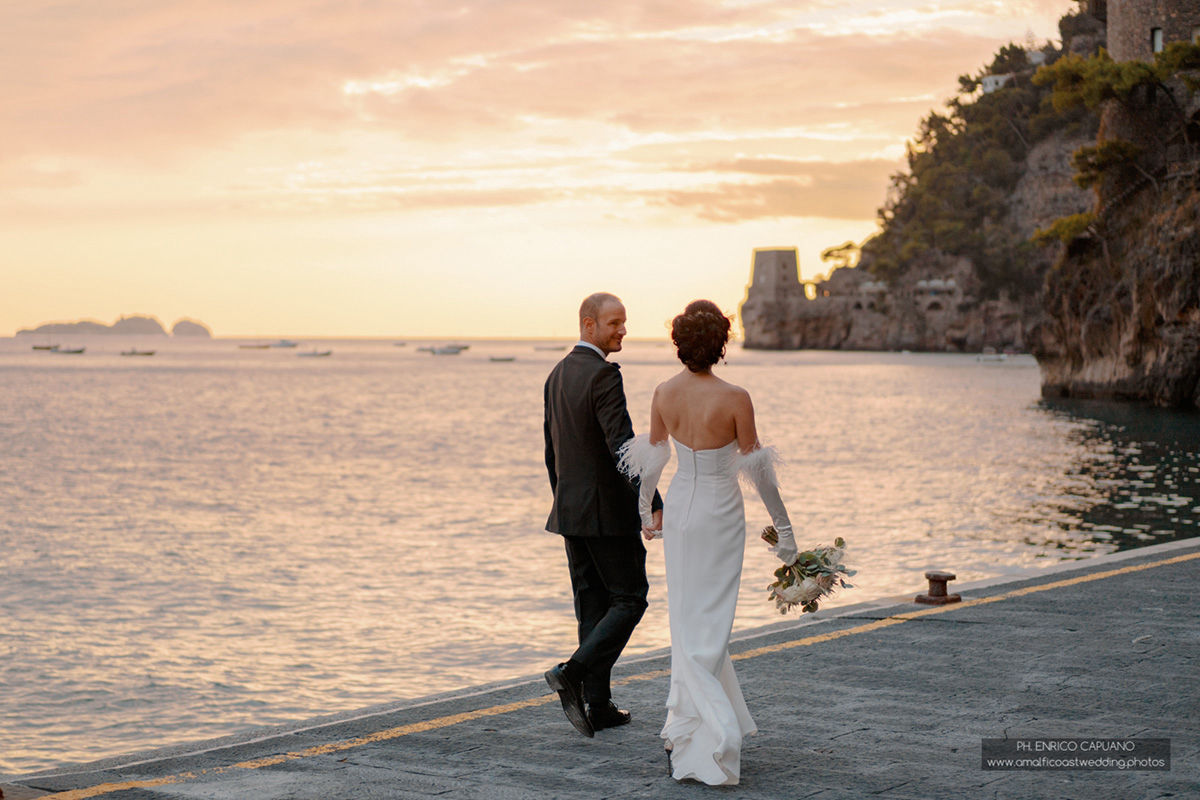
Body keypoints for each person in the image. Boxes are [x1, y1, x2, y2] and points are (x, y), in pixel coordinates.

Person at [617, 299, 799, 785]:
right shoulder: (736, 397)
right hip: (720, 515)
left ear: (680, 343)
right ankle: (719, 735)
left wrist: (644, 514)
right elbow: (758, 472)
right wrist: (784, 529)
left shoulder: (663, 392)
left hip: (679, 512)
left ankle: (686, 727)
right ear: (721, 344)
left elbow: (652, 462)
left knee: (686, 619)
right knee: (711, 623)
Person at [543, 292, 663, 738]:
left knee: (592, 605)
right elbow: (623, 447)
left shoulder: (555, 375)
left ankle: (598, 704)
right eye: (614, 323)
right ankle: (572, 674)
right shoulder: (603, 375)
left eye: (625, 322)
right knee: (630, 598)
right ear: (588, 325)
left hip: (571, 511)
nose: (623, 331)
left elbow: (551, 453)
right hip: (606, 514)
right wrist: (650, 501)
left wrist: (564, 501)